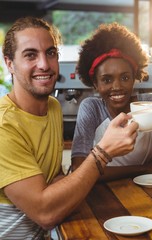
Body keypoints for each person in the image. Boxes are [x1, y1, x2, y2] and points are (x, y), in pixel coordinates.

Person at [0, 17, 139, 239]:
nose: (44, 64)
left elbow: (54, 180)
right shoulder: (3, 126)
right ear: (9, 63)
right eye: (30, 55)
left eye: (51, 53)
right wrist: (102, 153)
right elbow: (45, 212)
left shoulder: (52, 107)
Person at [71, 22, 152, 181]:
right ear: (95, 83)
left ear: (135, 77)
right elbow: (79, 171)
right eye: (107, 80)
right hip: (105, 196)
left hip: (148, 193)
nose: (117, 86)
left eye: (125, 77)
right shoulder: (92, 108)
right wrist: (143, 169)